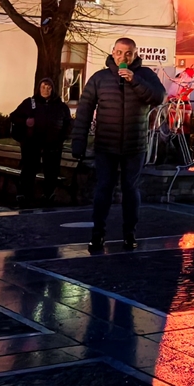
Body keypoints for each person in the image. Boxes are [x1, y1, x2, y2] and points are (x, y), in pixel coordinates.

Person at [71, 38, 165, 252]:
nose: (124, 57)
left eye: (129, 53)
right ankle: (97, 234)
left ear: (135, 54)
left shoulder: (145, 75)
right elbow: (84, 110)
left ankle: (129, 234)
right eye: (120, 52)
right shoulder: (100, 78)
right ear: (113, 52)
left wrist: (135, 80)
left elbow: (158, 97)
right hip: (106, 145)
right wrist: (79, 141)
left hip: (135, 145)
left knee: (131, 190)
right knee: (103, 188)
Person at [12, 78, 73, 207]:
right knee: (29, 169)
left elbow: (68, 124)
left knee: (51, 171)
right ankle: (24, 195)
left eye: (49, 87)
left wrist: (62, 137)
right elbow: (14, 116)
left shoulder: (60, 106)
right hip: (32, 143)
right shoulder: (29, 103)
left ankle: (48, 195)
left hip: (53, 144)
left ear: (53, 89)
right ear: (39, 88)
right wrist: (25, 122)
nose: (46, 90)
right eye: (43, 87)